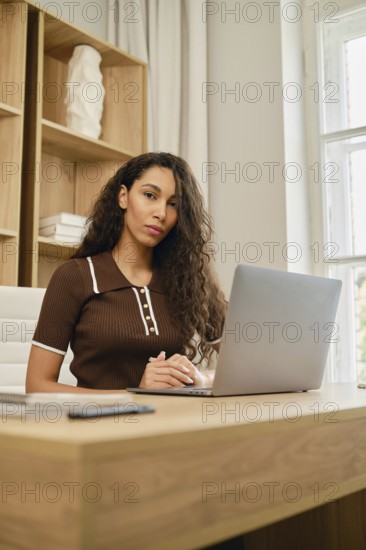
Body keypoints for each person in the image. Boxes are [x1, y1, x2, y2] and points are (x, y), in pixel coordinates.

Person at [26, 152, 226, 393]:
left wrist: (199, 379)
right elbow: (37, 386)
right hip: (101, 427)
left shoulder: (189, 279)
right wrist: (134, 394)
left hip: (172, 423)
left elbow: (248, 366)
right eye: (150, 195)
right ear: (123, 197)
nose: (161, 213)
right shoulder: (75, 276)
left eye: (173, 204)